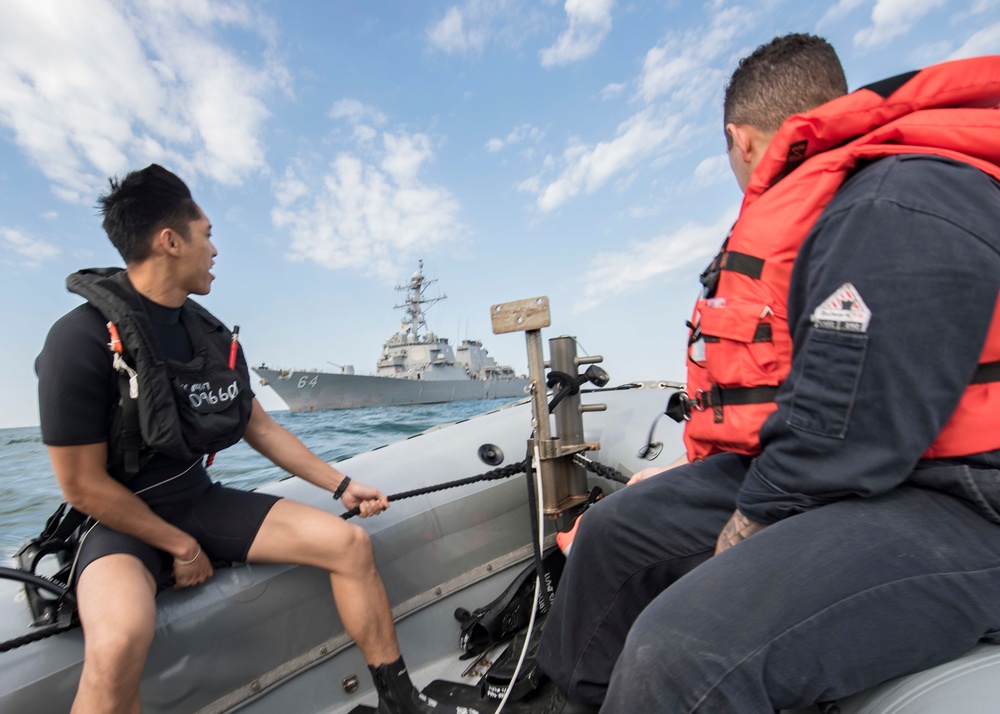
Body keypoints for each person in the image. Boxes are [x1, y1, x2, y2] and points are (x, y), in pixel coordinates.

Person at [535, 33, 1000, 712]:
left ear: (740, 141)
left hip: (966, 500)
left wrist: (748, 525)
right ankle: (583, 697)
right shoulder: (837, 202)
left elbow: (854, 429)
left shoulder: (893, 197)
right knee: (611, 533)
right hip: (884, 472)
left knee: (678, 649)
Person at [35, 164, 477, 714]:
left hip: (196, 500)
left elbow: (259, 427)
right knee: (120, 637)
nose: (215, 249)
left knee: (349, 544)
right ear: (170, 241)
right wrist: (179, 545)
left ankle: (398, 702)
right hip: (121, 523)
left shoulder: (209, 336)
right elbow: (80, 485)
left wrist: (341, 485)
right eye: (208, 234)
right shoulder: (77, 340)